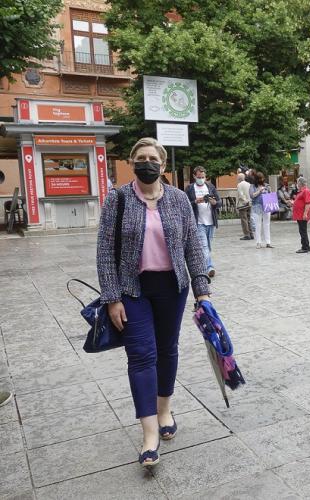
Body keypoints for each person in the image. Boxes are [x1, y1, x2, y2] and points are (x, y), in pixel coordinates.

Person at [97, 137, 211, 467]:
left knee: (167, 350)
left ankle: (165, 410)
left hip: (172, 287)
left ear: (163, 165)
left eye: (153, 159)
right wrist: (111, 298)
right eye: (141, 157)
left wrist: (202, 291)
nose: (147, 163)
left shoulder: (178, 199)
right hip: (132, 289)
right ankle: (149, 434)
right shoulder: (117, 200)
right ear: (132, 162)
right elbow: (105, 253)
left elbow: (193, 248)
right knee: (141, 355)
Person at [186, 167, 222, 278]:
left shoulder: (210, 187)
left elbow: (219, 202)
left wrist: (214, 202)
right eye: (199, 177)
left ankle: (204, 265)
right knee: (204, 246)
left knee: (208, 246)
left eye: (203, 177)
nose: (201, 179)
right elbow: (185, 204)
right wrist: (195, 201)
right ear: (194, 176)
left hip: (211, 221)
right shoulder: (190, 188)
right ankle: (209, 267)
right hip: (199, 222)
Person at [250, 171, 272, 248]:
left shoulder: (267, 185)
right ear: (257, 179)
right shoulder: (252, 186)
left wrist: (268, 191)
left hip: (266, 206)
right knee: (257, 224)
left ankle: (268, 242)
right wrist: (259, 191)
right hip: (257, 206)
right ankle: (258, 242)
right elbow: (252, 196)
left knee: (267, 224)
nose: (262, 179)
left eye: (263, 178)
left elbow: (270, 195)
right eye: (260, 178)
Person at [292, 176, 310, 253]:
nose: (297, 184)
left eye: (297, 183)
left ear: (300, 183)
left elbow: (307, 203)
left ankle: (305, 247)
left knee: (303, 231)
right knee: (302, 230)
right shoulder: (302, 191)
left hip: (302, 215)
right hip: (299, 214)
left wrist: (305, 214)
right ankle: (305, 246)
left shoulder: (306, 191)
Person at [236, 172, 253, 241]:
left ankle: (246, 235)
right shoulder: (249, 184)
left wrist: (244, 200)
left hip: (243, 204)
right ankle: (251, 234)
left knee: (244, 220)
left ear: (239, 178)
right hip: (249, 204)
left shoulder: (239, 185)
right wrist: (249, 201)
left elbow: (240, 194)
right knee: (249, 219)